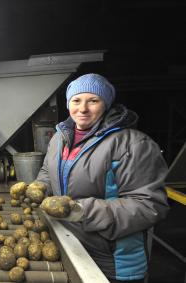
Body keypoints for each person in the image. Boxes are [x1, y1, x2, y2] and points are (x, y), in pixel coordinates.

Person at [35, 73, 169, 283]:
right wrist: (40, 187)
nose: (83, 108)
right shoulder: (59, 139)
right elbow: (48, 172)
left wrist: (81, 211)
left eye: (93, 101)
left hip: (114, 260)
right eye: (76, 100)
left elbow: (149, 205)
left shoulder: (133, 145)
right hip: (70, 246)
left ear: (106, 104)